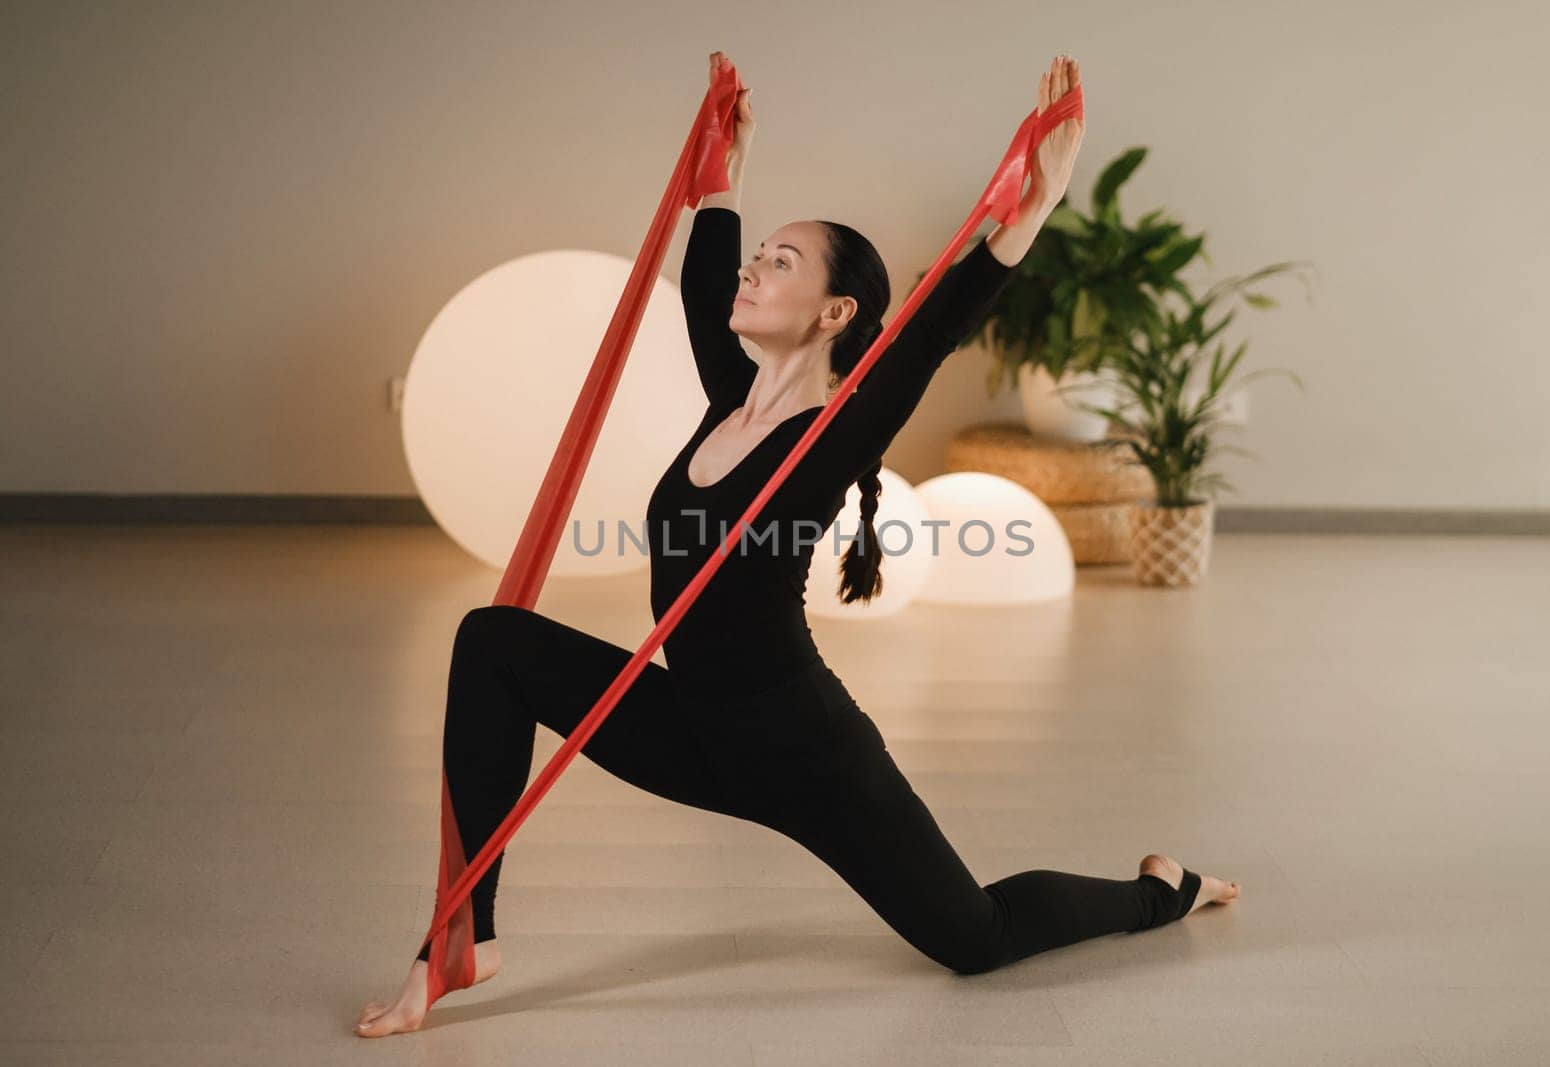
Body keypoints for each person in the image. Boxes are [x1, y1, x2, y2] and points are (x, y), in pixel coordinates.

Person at [357, 50, 1238, 1039]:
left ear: (832, 312)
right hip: (689, 728)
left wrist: (1032, 203)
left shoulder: (829, 436)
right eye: (758, 253)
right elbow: (700, 288)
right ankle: (462, 935)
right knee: (494, 640)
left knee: (974, 935)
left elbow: (927, 337)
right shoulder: (728, 401)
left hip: (804, 753)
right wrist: (720, 175)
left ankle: (1160, 889)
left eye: (780, 260)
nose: (752, 268)